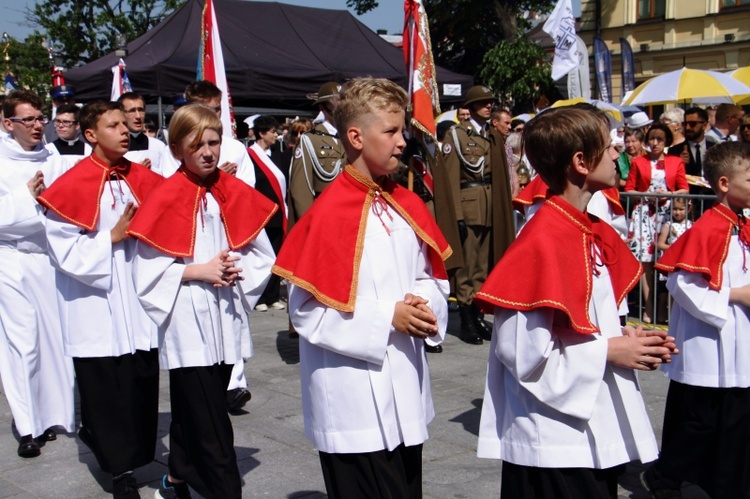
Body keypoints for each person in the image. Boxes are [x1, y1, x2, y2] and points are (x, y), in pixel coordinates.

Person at [475, 106, 676, 499]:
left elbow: (584, 317)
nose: (619, 151)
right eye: (608, 146)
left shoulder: (585, 230)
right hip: (552, 438)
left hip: (588, 430)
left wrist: (625, 338)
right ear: (581, 162)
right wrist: (609, 351)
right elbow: (521, 353)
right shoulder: (543, 239)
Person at [273, 77, 451, 499]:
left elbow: (431, 274)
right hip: (350, 393)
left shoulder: (406, 204)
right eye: (390, 131)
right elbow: (305, 310)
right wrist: (386, 316)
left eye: (402, 130)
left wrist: (425, 303)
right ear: (355, 136)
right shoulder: (328, 213)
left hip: (404, 383)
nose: (402, 140)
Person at [129, 104, 276, 499]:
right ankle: (224, 490)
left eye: (214, 142)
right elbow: (146, 273)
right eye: (198, 145)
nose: (209, 152)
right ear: (177, 149)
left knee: (197, 404)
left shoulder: (231, 190)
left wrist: (233, 267)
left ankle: (177, 477)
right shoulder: (165, 195)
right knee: (212, 422)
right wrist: (199, 271)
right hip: (186, 317)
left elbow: (263, 254)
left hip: (225, 313)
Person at [38, 100, 164, 498]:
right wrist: (110, 237)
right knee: (105, 386)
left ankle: (138, 452)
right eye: (114, 125)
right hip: (96, 299)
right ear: (91, 134)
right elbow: (61, 249)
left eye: (126, 124)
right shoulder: (71, 184)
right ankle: (119, 469)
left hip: (137, 295)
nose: (126, 130)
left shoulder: (143, 178)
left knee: (141, 377)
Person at [643, 142, 750, 499]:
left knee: (734, 420)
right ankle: (665, 476)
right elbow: (681, 281)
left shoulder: (741, 225)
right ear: (723, 183)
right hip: (710, 343)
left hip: (739, 343)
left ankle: (724, 482)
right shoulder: (710, 227)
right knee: (698, 421)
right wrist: (734, 296)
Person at [0, 90, 74, 459]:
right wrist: (29, 198)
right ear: (7, 123)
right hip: (12, 260)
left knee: (56, 341)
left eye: (39, 117)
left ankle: (58, 414)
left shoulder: (55, 157)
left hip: (48, 259)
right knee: (23, 344)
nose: (36, 125)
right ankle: (28, 424)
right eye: (26, 119)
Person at [440, 85, 515, 345]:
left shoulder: (491, 135)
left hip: (488, 205)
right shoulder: (456, 135)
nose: (488, 106)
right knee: (467, 267)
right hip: (469, 205)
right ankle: (466, 321)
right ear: (471, 107)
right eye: (483, 103)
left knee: (482, 265)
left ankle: (477, 314)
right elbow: (450, 179)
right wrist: (456, 216)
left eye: (490, 103)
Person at [625, 123, 689, 323]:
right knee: (646, 262)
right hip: (645, 213)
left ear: (666, 141)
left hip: (667, 213)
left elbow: (684, 188)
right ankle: (649, 306)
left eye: (659, 139)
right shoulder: (638, 162)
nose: (654, 143)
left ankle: (666, 307)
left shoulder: (675, 161)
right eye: (651, 139)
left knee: (665, 259)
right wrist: (646, 195)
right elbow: (629, 188)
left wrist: (669, 194)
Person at [157, 81, 256, 188]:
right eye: (207, 110)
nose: (213, 115)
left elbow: (249, 189)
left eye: (217, 109)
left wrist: (223, 180)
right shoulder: (177, 149)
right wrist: (216, 178)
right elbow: (172, 188)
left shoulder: (236, 148)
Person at [287, 81, 346, 228]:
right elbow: (301, 189)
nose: (340, 109)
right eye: (334, 104)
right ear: (323, 107)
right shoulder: (309, 140)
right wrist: (311, 225)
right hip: (324, 216)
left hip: (350, 215)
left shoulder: (351, 137)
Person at [247, 115, 287, 312]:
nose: (276, 135)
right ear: (262, 133)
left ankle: (273, 296)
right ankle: (260, 296)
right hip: (259, 214)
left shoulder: (277, 154)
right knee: (260, 257)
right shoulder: (249, 155)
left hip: (278, 214)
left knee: (276, 257)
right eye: (272, 131)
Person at [117, 92, 166, 174]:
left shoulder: (158, 146)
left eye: (140, 110)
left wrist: (150, 170)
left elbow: (168, 176)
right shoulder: (112, 148)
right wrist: (136, 171)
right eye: (132, 111)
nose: (138, 116)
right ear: (121, 113)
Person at [45, 103, 92, 168]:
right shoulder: (48, 150)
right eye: (58, 121)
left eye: (66, 122)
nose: (61, 126)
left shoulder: (88, 150)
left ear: (77, 126)